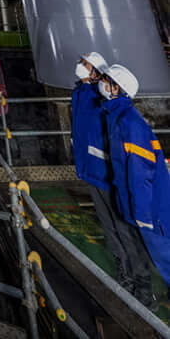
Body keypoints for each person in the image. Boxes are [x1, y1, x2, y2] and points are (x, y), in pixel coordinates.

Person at [71, 52, 154, 302]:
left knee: (126, 231)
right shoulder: (83, 95)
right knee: (111, 230)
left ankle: (143, 286)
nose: (80, 66)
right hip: (94, 175)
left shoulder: (114, 111)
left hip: (112, 180)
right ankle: (125, 276)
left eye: (85, 64)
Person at [101, 63, 170, 302]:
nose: (102, 83)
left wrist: (142, 213)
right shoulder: (118, 117)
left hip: (149, 205)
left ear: (117, 88)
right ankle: (149, 293)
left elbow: (140, 173)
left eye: (107, 81)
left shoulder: (130, 124)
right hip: (135, 201)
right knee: (149, 250)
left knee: (162, 251)